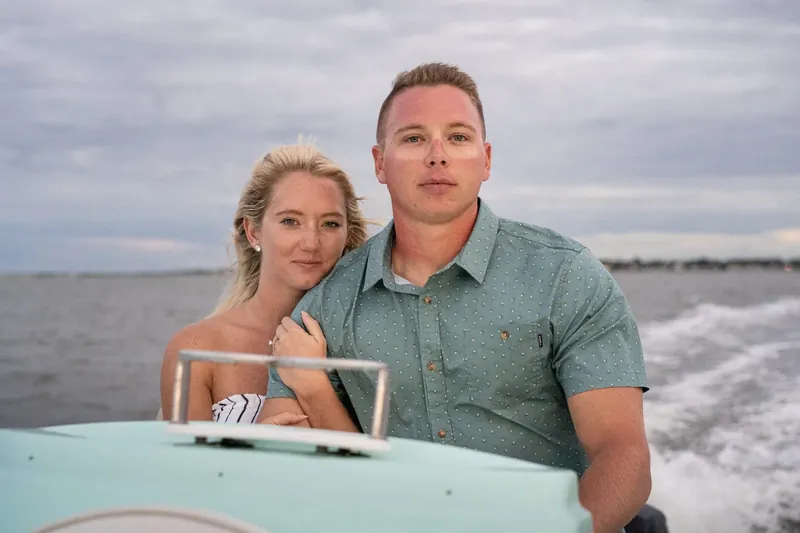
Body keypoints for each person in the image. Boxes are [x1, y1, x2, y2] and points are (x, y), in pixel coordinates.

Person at [260, 63, 653, 533]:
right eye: (413, 138)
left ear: (485, 160)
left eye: (458, 137)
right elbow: (289, 464)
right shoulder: (326, 306)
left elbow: (622, 455)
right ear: (380, 163)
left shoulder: (564, 277)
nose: (437, 156)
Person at [158, 143, 371, 425]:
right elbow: (185, 456)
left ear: (347, 235)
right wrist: (253, 445)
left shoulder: (367, 342)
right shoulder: (196, 351)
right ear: (253, 232)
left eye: (330, 224)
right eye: (290, 221)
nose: (311, 243)